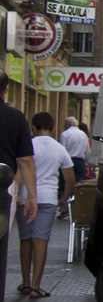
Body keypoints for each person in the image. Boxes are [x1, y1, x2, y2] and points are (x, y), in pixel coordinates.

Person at [15, 112, 72, 298]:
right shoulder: (60, 149)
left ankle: (24, 282)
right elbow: (69, 178)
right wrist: (64, 198)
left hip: (24, 198)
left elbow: (19, 169)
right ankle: (35, 286)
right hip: (47, 199)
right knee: (41, 241)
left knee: (25, 240)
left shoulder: (27, 145)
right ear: (53, 128)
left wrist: (15, 192)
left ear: (33, 127)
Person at [0, 69, 37, 230]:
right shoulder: (16, 117)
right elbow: (25, 160)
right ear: (6, 90)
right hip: (4, 184)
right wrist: (31, 196)